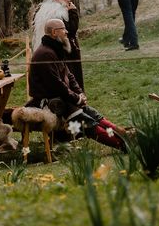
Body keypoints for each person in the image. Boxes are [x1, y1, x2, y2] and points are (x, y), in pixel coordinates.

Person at [27, 18, 126, 151]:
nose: (66, 31)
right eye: (63, 29)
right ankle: (122, 144)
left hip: (62, 99)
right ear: (54, 32)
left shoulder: (54, 49)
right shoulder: (45, 53)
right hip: (49, 103)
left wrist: (80, 94)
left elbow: (69, 76)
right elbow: (56, 85)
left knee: (94, 115)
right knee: (88, 124)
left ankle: (126, 136)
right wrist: (76, 98)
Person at [31, 0, 84, 90]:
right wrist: (73, 12)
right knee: (68, 81)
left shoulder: (46, 10)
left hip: (53, 51)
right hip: (63, 52)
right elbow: (71, 31)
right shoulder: (58, 12)